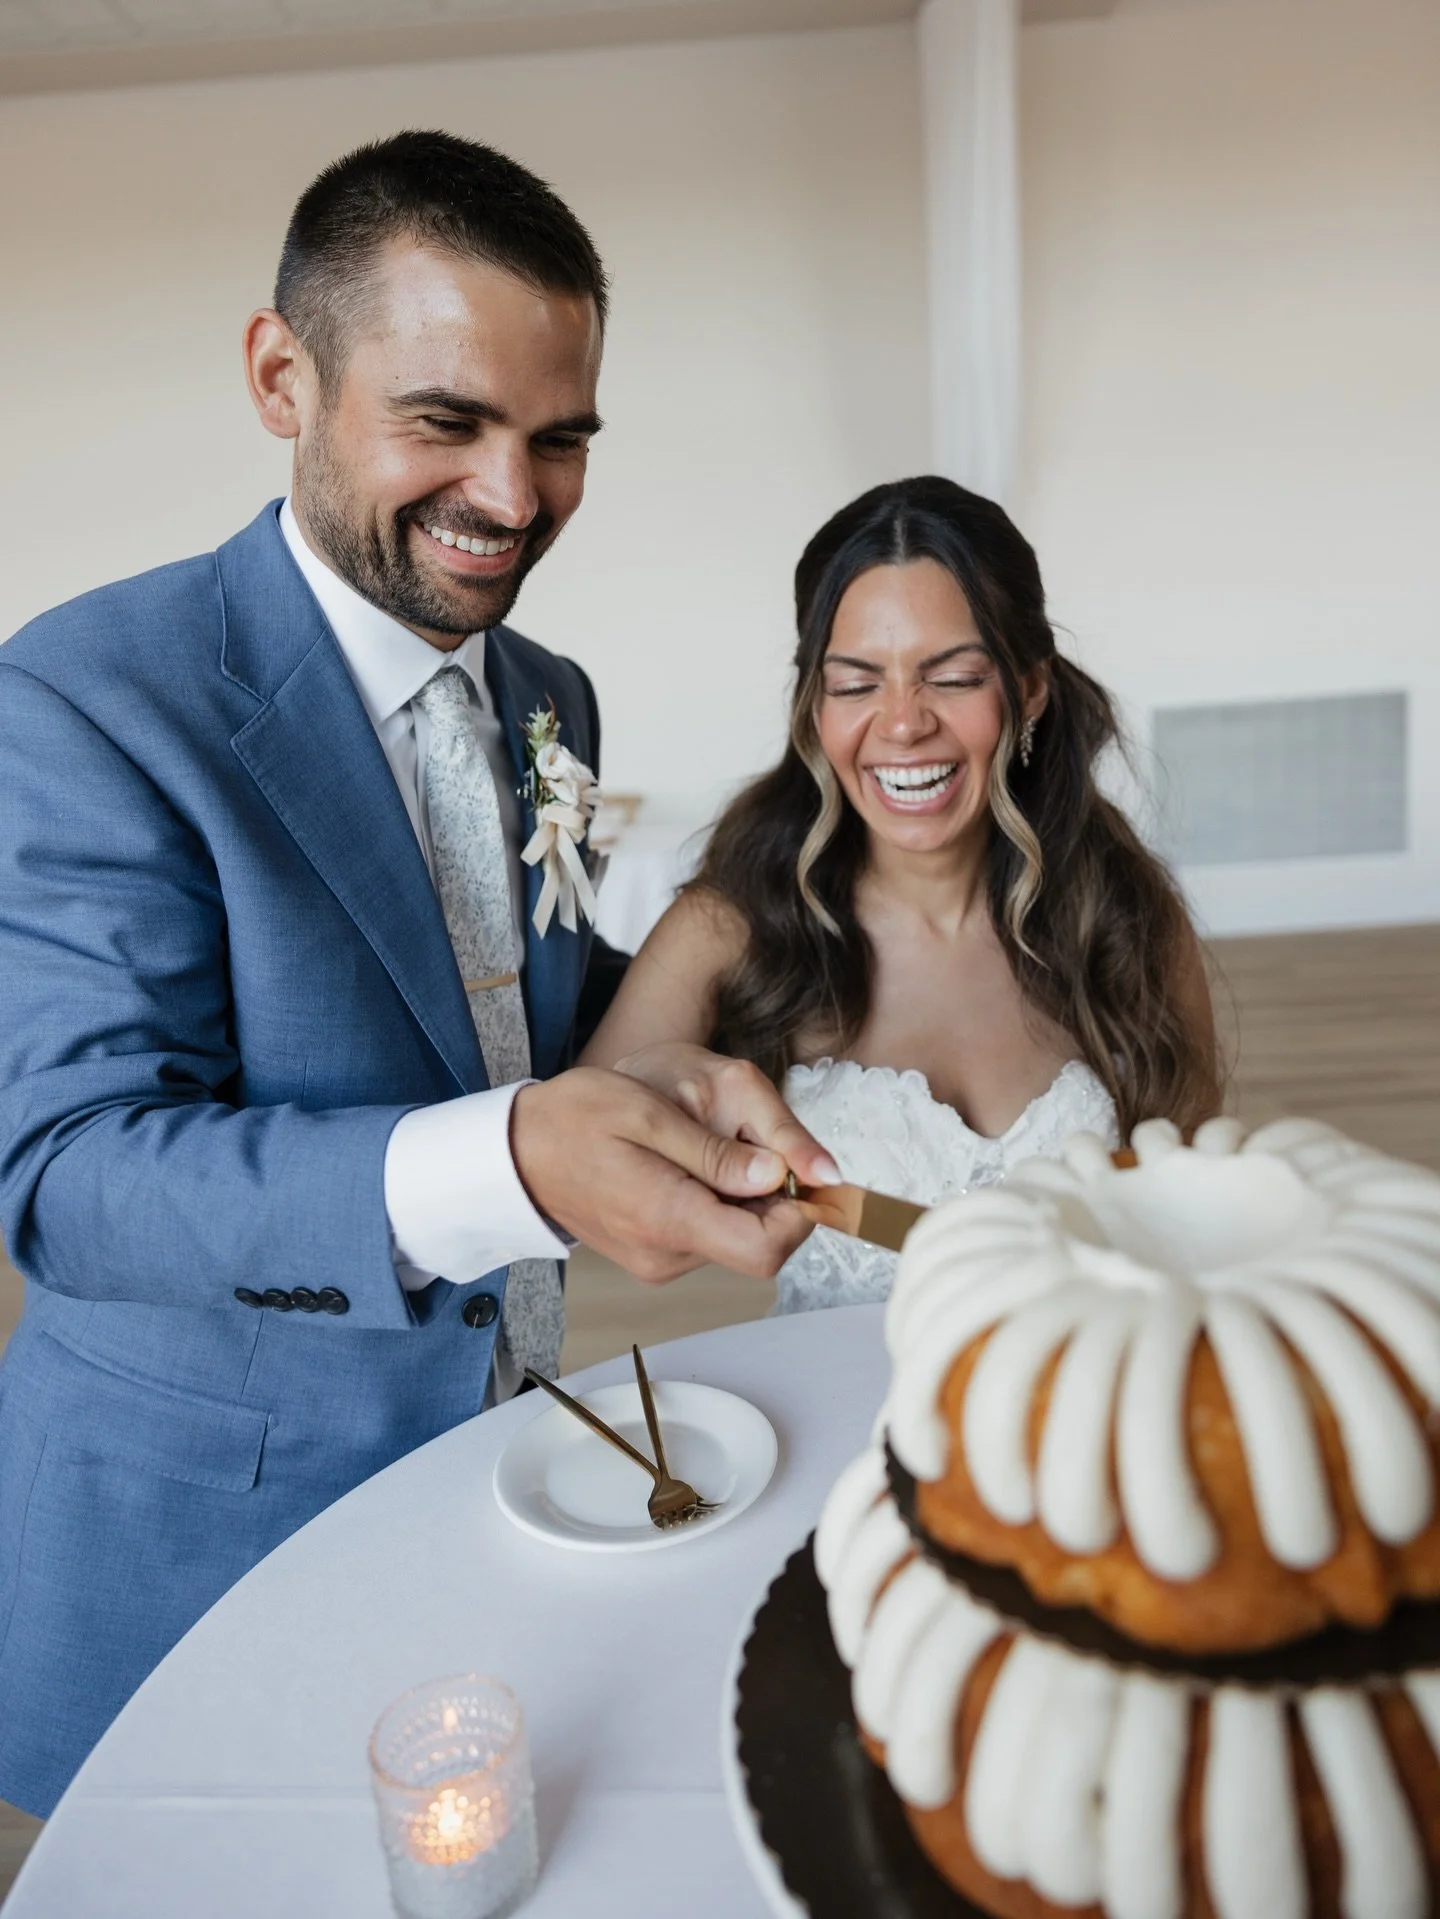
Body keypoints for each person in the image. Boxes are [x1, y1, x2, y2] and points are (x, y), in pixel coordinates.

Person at [0, 131, 831, 1816]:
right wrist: (522, 1158)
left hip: (501, 1464)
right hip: (199, 1539)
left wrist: (674, 1063)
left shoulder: (551, 693)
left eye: (559, 438)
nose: (514, 501)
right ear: (280, 374)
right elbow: (70, 1178)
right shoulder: (83, 694)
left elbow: (494, 996)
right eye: (445, 423)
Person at [584, 475, 1221, 1312]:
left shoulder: (1130, 920)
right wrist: (697, 1143)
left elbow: (1198, 1213)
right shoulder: (728, 926)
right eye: (854, 683)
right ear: (815, 706)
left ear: (1028, 688)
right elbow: (590, 1170)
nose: (902, 722)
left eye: (952, 677)